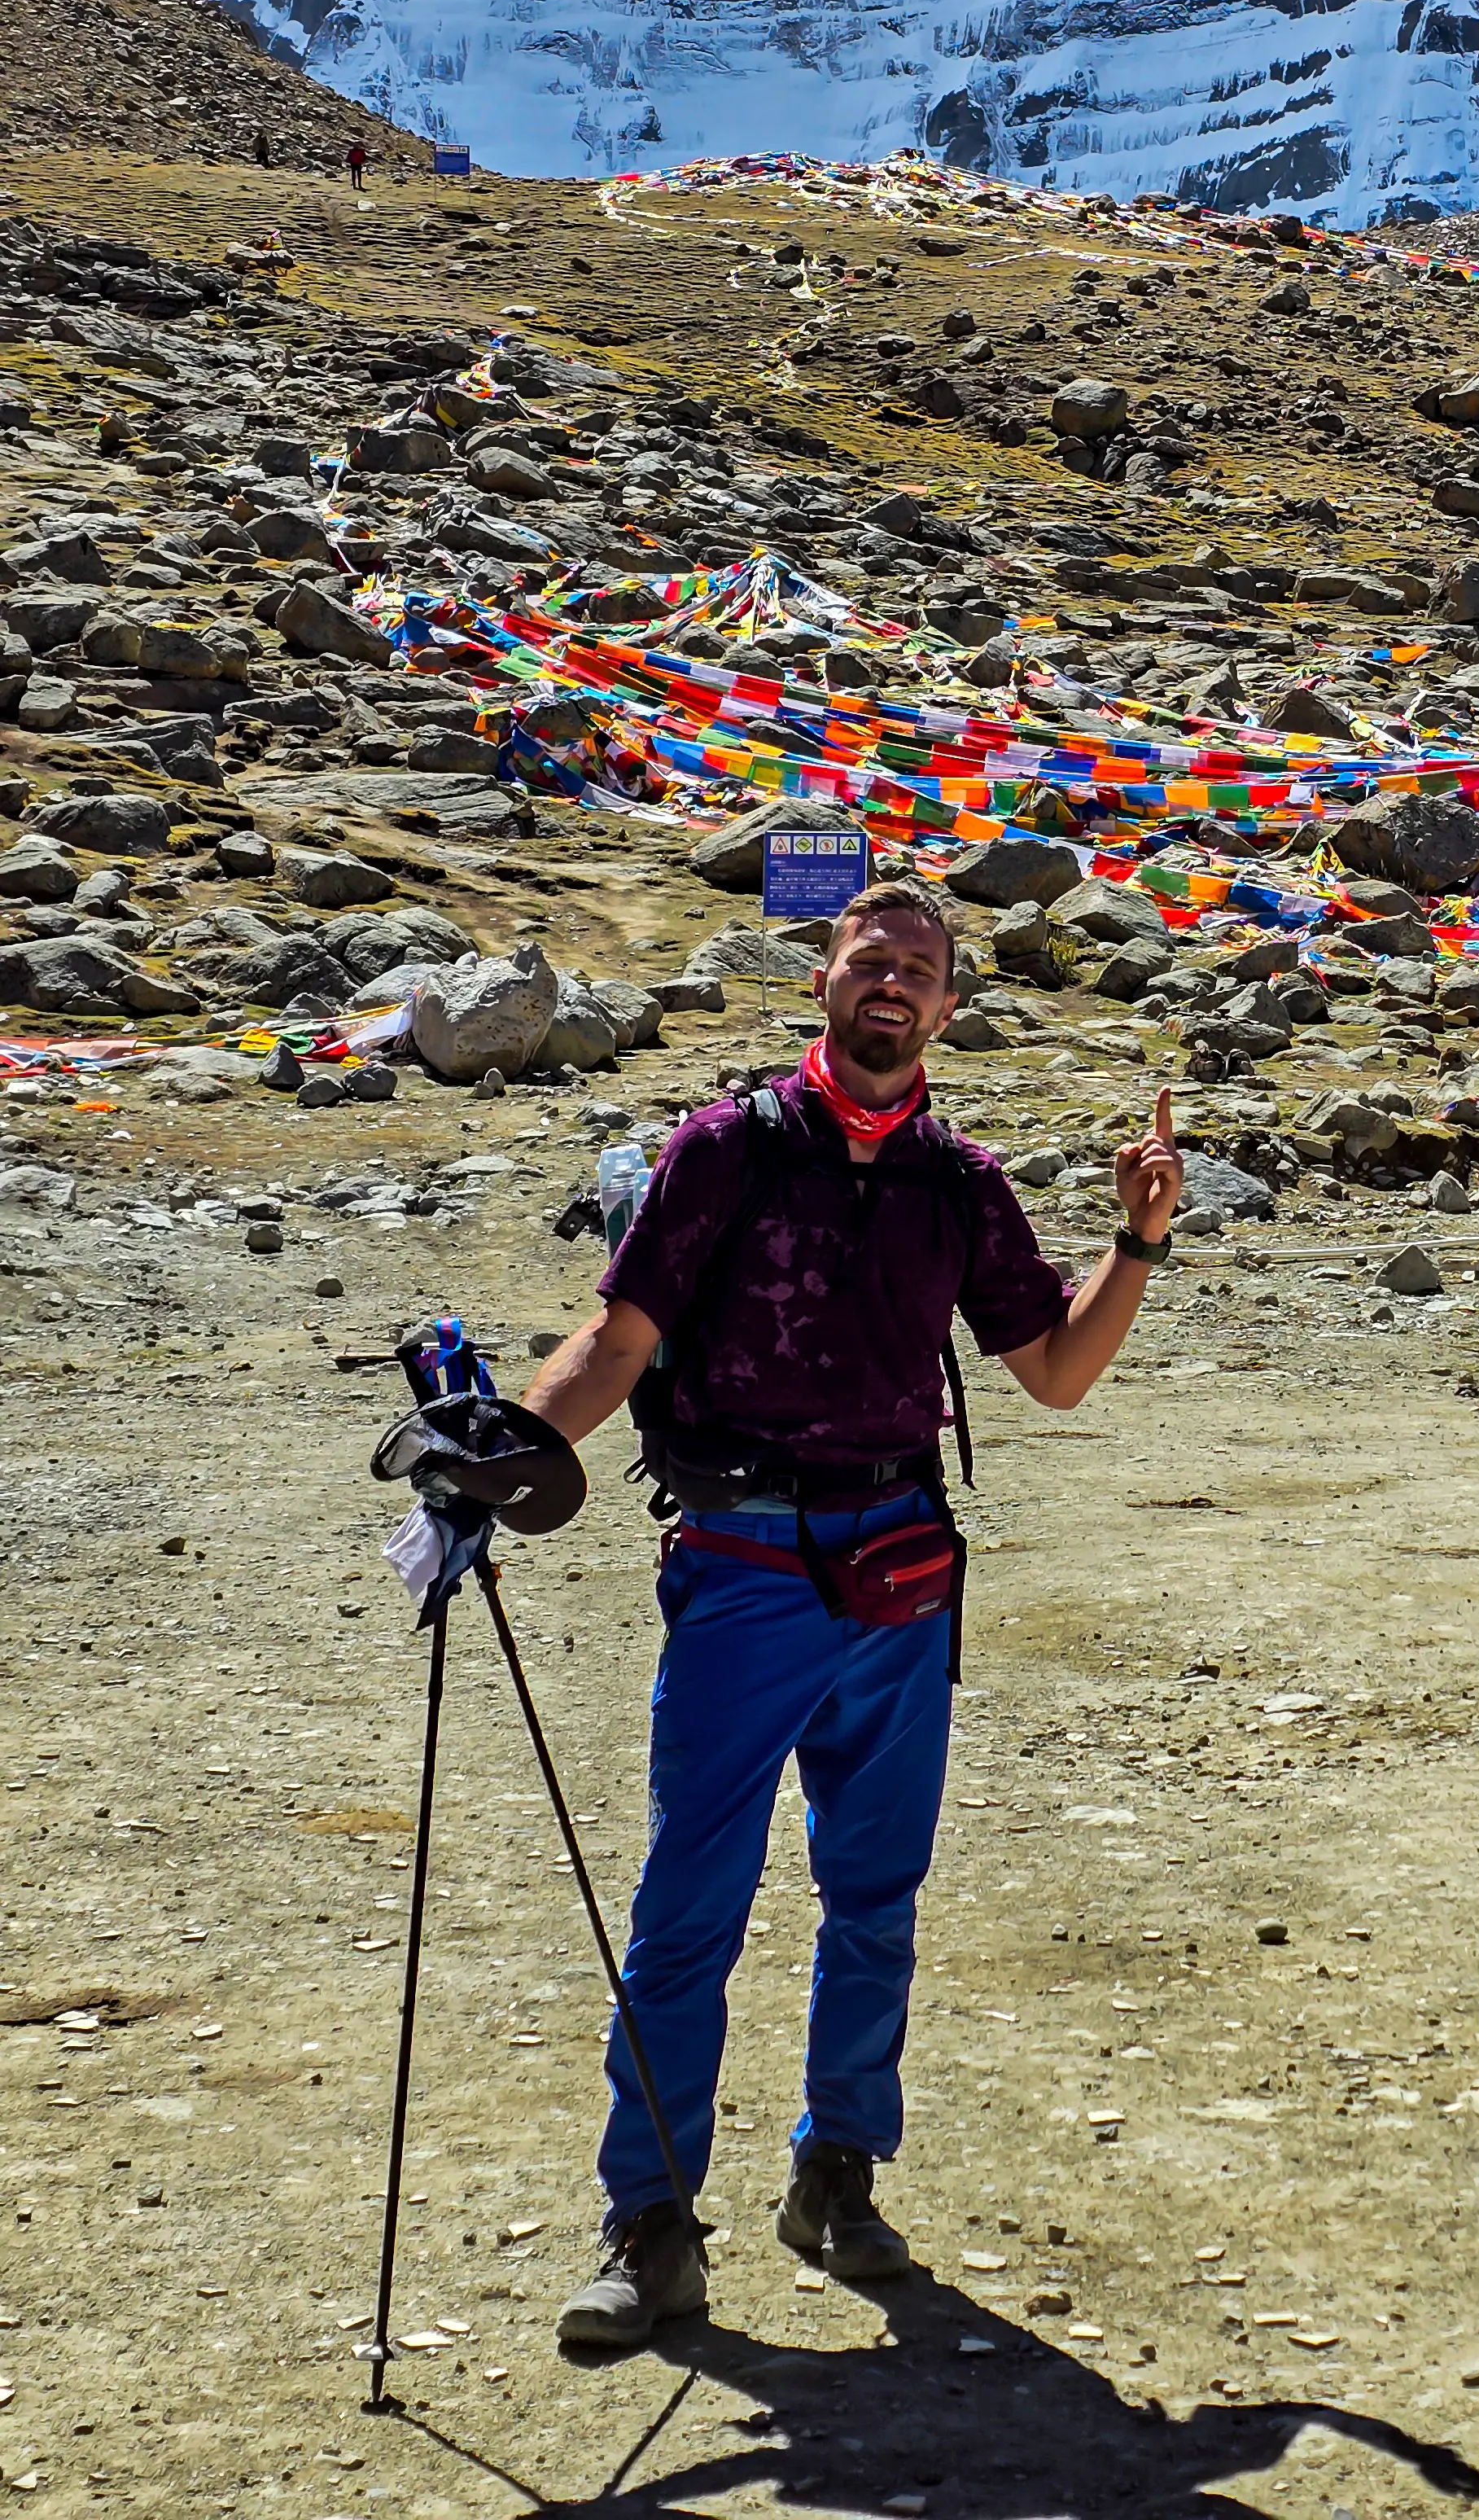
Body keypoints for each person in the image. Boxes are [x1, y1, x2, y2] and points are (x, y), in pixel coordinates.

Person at [519, 876, 1184, 2348]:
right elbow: (621, 1334)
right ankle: (650, 2223)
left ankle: (838, 2178)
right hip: (745, 1561)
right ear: (824, 978)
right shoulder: (722, 1151)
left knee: (873, 1902)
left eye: (921, 971)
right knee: (689, 1909)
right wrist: (508, 1447)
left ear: (949, 1008)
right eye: (871, 960)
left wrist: (1134, 1247)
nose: (893, 986)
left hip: (900, 1567)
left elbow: (1054, 1372)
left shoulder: (961, 1182)